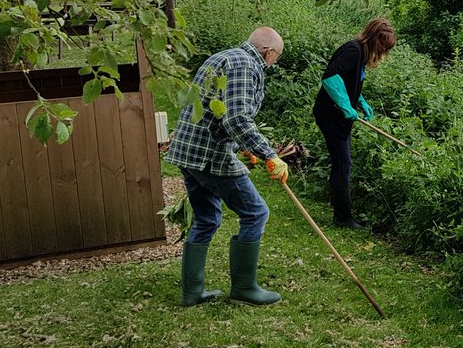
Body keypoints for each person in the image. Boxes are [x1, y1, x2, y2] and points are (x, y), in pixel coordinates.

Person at [164, 27, 290, 306]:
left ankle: (192, 292)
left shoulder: (224, 57)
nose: (274, 63)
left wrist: (244, 146)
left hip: (188, 151)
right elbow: (236, 119)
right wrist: (270, 155)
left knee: (207, 218)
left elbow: (215, 109)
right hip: (209, 154)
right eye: (276, 57)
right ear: (269, 52)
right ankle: (245, 288)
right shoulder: (246, 64)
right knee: (256, 212)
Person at [312, 17, 397, 229]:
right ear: (373, 36)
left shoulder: (362, 53)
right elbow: (330, 77)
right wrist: (344, 105)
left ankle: (343, 215)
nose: (382, 49)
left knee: (343, 163)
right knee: (343, 163)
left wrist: (360, 102)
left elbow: (350, 81)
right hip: (330, 115)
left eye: (386, 47)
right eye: (382, 44)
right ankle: (342, 218)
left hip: (338, 115)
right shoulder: (353, 50)